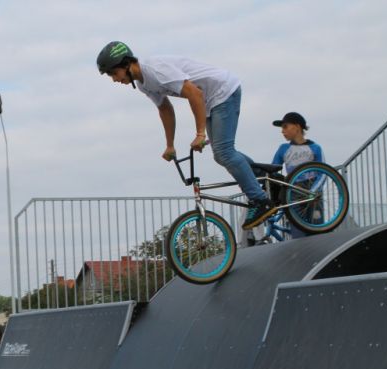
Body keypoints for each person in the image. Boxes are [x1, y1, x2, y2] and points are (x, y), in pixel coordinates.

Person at [97, 41, 275, 230]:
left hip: (223, 91)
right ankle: (266, 177)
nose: (114, 79)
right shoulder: (144, 84)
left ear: (126, 64)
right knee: (222, 153)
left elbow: (195, 94)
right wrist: (170, 145)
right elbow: (165, 109)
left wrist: (200, 134)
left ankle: (260, 200)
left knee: (224, 152)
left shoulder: (155, 71)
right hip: (211, 99)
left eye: (113, 73)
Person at [271, 112, 325, 239]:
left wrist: (314, 190)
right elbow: (272, 170)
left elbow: (323, 172)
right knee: (297, 231)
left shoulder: (315, 148)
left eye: (285, 127)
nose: (282, 131)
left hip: (313, 190)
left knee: (317, 229)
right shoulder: (283, 148)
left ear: (297, 126)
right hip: (292, 190)